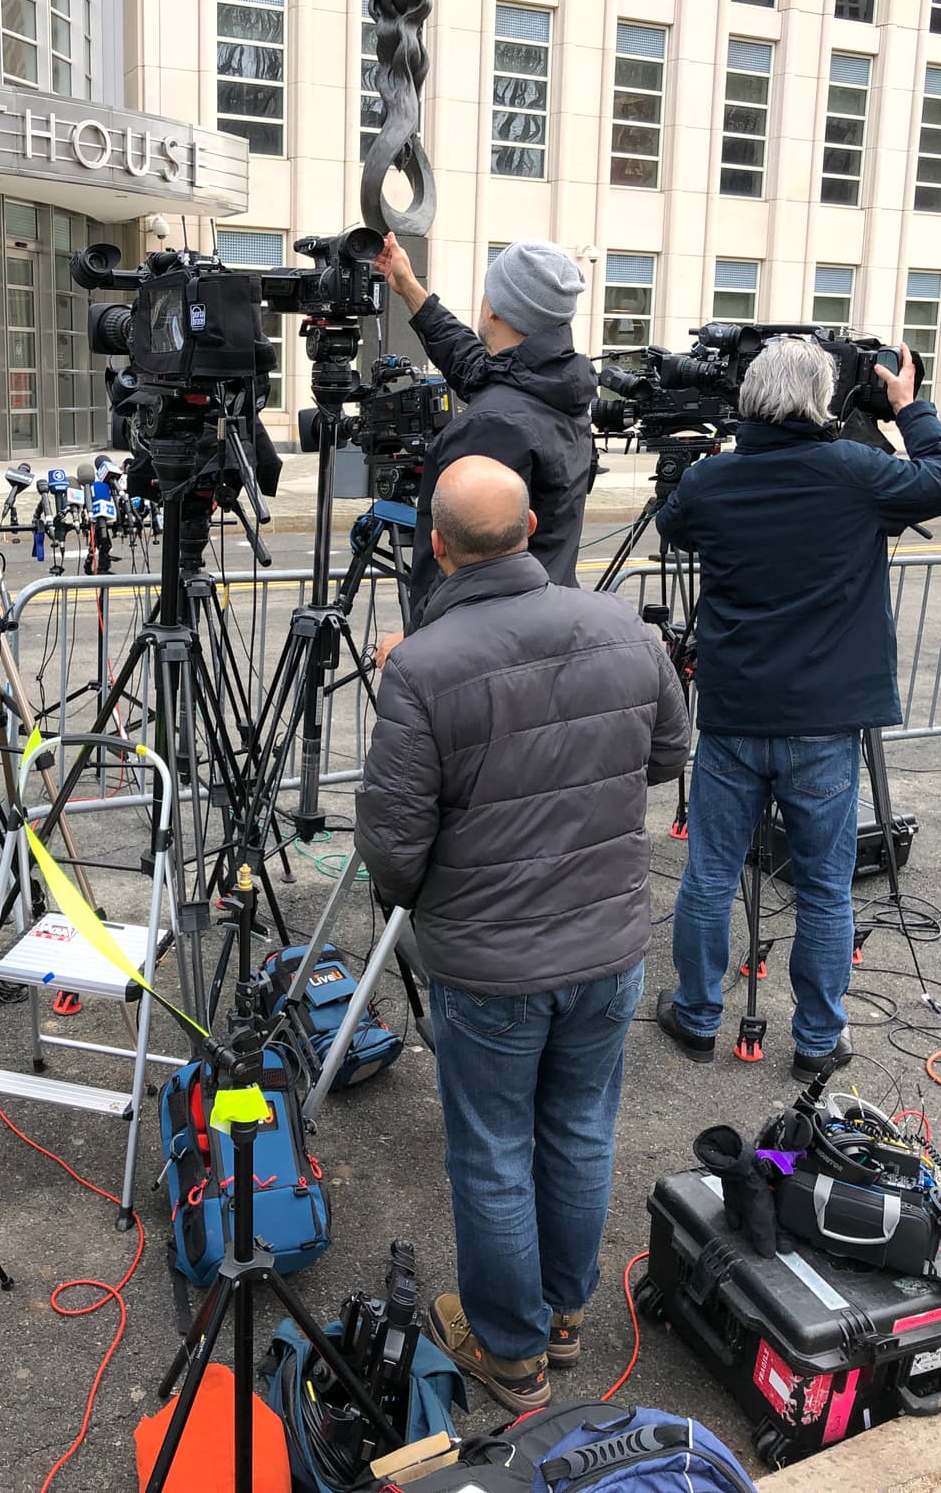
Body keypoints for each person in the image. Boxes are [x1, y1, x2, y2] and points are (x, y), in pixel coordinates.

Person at [354, 455, 690, 1413]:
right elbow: (668, 751)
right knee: (579, 1129)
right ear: (533, 526)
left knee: (494, 1151)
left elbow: (393, 848)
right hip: (607, 946)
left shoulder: (420, 666)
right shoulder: (623, 627)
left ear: (436, 544)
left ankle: (511, 1352)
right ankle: (561, 1314)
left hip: (491, 963)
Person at [654, 336, 941, 1081]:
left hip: (734, 718)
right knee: (825, 888)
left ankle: (697, 1017)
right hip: (824, 724)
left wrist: (689, 463)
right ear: (822, 401)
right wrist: (908, 406)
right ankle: (818, 1040)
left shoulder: (713, 480)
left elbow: (672, 522)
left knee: (710, 874)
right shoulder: (855, 471)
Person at [371, 232, 595, 665]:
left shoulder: (494, 424)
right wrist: (409, 287)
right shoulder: (556, 388)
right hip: (541, 635)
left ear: (493, 308)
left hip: (486, 655)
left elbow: (468, 560)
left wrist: (421, 641)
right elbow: (475, 367)